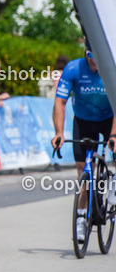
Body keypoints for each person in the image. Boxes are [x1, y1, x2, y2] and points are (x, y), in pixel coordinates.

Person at [51, 46, 116, 242]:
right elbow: (59, 103)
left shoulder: (111, 67)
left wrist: (113, 135)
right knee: (83, 170)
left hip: (109, 119)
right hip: (83, 120)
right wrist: (59, 133)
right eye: (90, 55)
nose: (93, 60)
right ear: (85, 54)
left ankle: (114, 188)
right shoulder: (73, 69)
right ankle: (81, 218)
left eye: (97, 55)